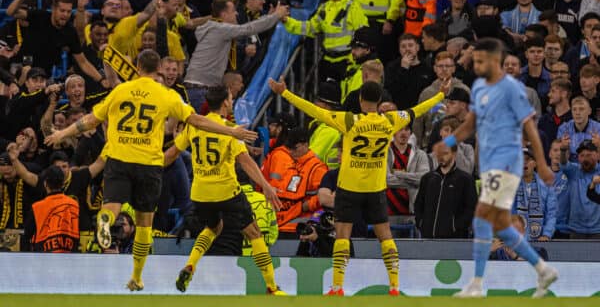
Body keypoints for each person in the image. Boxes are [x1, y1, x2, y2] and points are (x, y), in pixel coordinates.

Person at [44, 50, 257, 291]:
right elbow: (197, 120)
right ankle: (136, 276)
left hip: (119, 158)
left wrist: (63, 132)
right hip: (149, 164)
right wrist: (231, 131)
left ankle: (106, 219)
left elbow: (91, 120)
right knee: (145, 223)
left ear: (136, 66)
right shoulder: (166, 94)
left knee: (112, 204)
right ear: (158, 70)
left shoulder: (120, 91)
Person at [268, 76, 450, 296]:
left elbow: (316, 112)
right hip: (375, 189)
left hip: (349, 188)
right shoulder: (391, 120)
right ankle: (394, 286)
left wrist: (285, 93)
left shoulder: (349, 121)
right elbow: (417, 110)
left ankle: (337, 287)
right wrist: (440, 95)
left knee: (343, 236)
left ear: (361, 100)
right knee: (385, 236)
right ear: (379, 99)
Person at [433, 38, 557, 298]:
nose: (476, 65)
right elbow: (470, 125)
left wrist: (543, 164)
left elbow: (530, 128)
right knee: (499, 224)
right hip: (490, 161)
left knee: (482, 219)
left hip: (507, 159)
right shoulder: (479, 87)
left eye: (480, 61)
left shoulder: (511, 88)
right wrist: (449, 142)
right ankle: (542, 268)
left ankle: (477, 284)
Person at [162, 85, 285, 294]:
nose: (232, 101)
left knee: (212, 228)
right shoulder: (229, 129)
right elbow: (245, 161)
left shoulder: (194, 125)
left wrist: (149, 168)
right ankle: (272, 287)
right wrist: (266, 186)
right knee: (254, 234)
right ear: (226, 102)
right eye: (230, 98)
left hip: (200, 193)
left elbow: (172, 153)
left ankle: (190, 265)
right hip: (226, 191)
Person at [184, 0, 288, 112]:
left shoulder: (216, 28)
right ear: (223, 14)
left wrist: (269, 17)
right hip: (200, 91)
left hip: (200, 89)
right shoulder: (219, 29)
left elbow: (249, 26)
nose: (237, 13)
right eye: (233, 11)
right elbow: (247, 29)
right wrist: (276, 16)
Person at [283, 0, 368, 82]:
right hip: (327, 61)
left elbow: (364, 35)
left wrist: (357, 59)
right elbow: (310, 28)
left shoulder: (352, 7)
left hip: (347, 62)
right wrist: (288, 21)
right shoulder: (323, 8)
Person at [414, 143, 477, 238]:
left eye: (445, 153)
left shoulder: (465, 180)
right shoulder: (427, 178)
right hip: (427, 238)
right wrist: (421, 223)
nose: (441, 157)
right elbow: (418, 204)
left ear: (454, 154)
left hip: (454, 240)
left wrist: (456, 227)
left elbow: (471, 209)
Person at [23, 166, 79, 253]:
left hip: (43, 260)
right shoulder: (74, 204)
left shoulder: (36, 207)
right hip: (69, 259)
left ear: (45, 184)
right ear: (63, 182)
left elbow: (27, 235)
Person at [513, 148, 557, 242]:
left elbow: (552, 213)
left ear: (535, 163)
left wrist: (546, 234)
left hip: (541, 239)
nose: (524, 162)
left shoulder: (546, 184)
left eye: (527, 159)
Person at [560, 139, 600, 239]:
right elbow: (563, 164)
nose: (585, 159)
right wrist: (563, 150)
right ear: (578, 158)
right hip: (576, 229)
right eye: (582, 155)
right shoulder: (574, 171)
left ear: (597, 155)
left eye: (589, 155)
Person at [384, 33, 433, 111]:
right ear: (399, 50)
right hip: (399, 110)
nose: (407, 49)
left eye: (410, 45)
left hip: (421, 110)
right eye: (403, 46)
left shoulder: (427, 68)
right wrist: (404, 69)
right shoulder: (392, 67)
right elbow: (391, 90)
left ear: (417, 47)